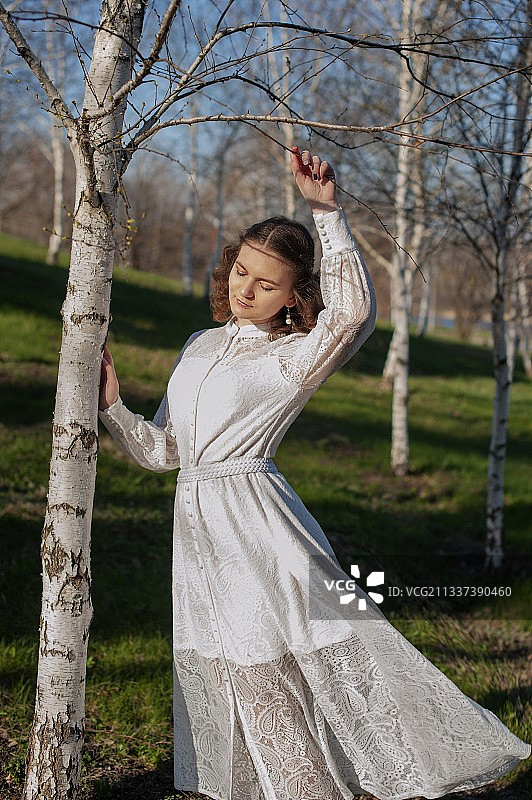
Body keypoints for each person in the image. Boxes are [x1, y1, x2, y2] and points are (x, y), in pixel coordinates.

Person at [98, 147, 530, 800]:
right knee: (237, 685)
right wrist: (111, 408)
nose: (245, 289)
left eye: (265, 284)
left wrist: (326, 214)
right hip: (200, 541)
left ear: (294, 296)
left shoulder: (294, 357)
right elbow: (166, 453)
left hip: (257, 532)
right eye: (241, 271)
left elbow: (352, 316)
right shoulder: (200, 344)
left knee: (271, 683)